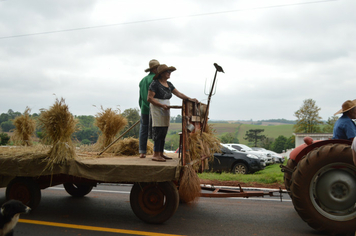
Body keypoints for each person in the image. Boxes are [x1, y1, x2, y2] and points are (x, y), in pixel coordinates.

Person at [147, 64, 198, 162]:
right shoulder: (155, 83)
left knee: (164, 129)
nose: (169, 73)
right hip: (157, 107)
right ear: (161, 73)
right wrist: (161, 105)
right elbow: (149, 98)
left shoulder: (169, 84)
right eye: (167, 72)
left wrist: (189, 99)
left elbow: (178, 94)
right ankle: (156, 154)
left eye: (170, 72)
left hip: (166, 107)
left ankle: (161, 153)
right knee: (158, 129)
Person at [138, 59, 160, 158]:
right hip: (154, 108)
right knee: (157, 130)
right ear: (155, 69)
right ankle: (157, 152)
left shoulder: (142, 81)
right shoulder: (156, 80)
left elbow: (140, 98)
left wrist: (142, 107)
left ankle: (142, 152)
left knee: (143, 130)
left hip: (144, 109)